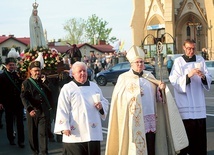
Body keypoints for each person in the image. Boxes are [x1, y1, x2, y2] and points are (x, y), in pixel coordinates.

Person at [105, 45, 188, 155]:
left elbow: (158, 99)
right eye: (137, 62)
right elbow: (119, 100)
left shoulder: (149, 76)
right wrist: (135, 93)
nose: (140, 64)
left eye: (141, 62)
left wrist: (161, 89)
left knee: (151, 146)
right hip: (133, 120)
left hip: (150, 118)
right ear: (131, 64)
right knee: (135, 147)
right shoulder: (123, 78)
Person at [54, 61, 109, 155]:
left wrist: (101, 106)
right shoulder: (67, 88)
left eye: (84, 71)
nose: (83, 73)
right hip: (75, 132)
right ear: (73, 74)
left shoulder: (94, 86)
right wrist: (64, 127)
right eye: (80, 71)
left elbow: (104, 101)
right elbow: (62, 108)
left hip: (92, 132)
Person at [169, 39, 212, 155]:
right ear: (184, 48)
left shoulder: (200, 60)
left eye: (193, 48)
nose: (191, 51)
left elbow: (209, 77)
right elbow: (174, 80)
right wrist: (189, 75)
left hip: (198, 104)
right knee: (187, 137)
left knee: (200, 137)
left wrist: (203, 76)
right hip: (185, 105)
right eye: (188, 48)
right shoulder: (178, 62)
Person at [20, 61, 53, 155]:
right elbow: (23, 97)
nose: (37, 73)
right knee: (32, 133)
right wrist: (29, 109)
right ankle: (35, 152)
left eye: (39, 70)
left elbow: (50, 93)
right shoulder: (26, 83)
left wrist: (45, 82)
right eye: (35, 71)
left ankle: (44, 152)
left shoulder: (43, 82)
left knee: (43, 133)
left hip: (43, 111)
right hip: (33, 111)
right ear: (30, 71)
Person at [0, 57, 25, 147]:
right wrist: (0, 102)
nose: (12, 66)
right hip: (8, 102)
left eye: (13, 65)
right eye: (10, 65)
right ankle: (11, 138)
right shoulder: (2, 76)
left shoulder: (18, 75)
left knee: (20, 122)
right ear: (6, 66)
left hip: (18, 102)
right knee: (9, 122)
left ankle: (21, 140)